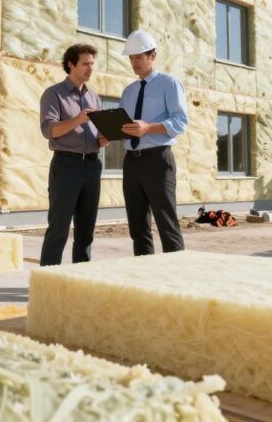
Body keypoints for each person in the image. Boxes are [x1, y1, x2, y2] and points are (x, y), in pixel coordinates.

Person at [119, 30, 188, 256]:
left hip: (158, 160)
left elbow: (180, 121)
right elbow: (127, 126)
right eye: (131, 58)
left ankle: (176, 283)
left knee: (167, 224)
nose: (135, 62)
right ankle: (145, 280)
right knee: (137, 227)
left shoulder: (170, 84)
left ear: (153, 56)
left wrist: (149, 127)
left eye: (139, 56)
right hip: (131, 162)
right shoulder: (128, 92)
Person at [38, 44, 103, 265]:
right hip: (66, 166)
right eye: (85, 64)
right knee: (59, 228)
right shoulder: (53, 94)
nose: (90, 68)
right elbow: (49, 130)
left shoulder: (95, 97)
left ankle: (81, 280)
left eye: (92, 64)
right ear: (71, 65)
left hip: (93, 166)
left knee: (86, 230)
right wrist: (78, 119)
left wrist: (103, 139)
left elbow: (96, 134)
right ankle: (48, 280)